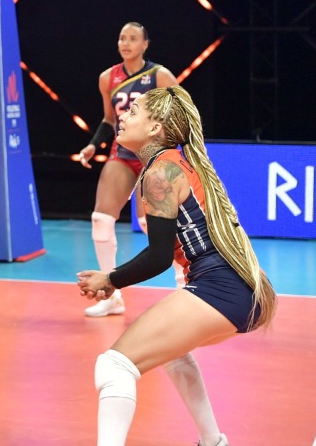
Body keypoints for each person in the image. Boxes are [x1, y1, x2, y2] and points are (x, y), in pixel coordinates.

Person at [78, 85, 276, 446]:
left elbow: (157, 257)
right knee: (171, 351)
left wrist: (111, 278)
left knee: (114, 365)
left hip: (221, 287)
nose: (122, 114)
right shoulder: (177, 165)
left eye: (134, 110)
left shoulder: (160, 174)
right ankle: (212, 440)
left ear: (156, 128)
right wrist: (112, 278)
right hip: (243, 291)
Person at [75, 21, 180, 317]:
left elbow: (182, 113)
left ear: (145, 44)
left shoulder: (160, 76)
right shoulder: (108, 77)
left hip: (154, 155)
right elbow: (109, 120)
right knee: (100, 218)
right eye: (122, 37)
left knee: (155, 225)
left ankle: (185, 286)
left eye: (133, 38)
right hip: (122, 153)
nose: (126, 43)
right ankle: (110, 295)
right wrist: (93, 145)